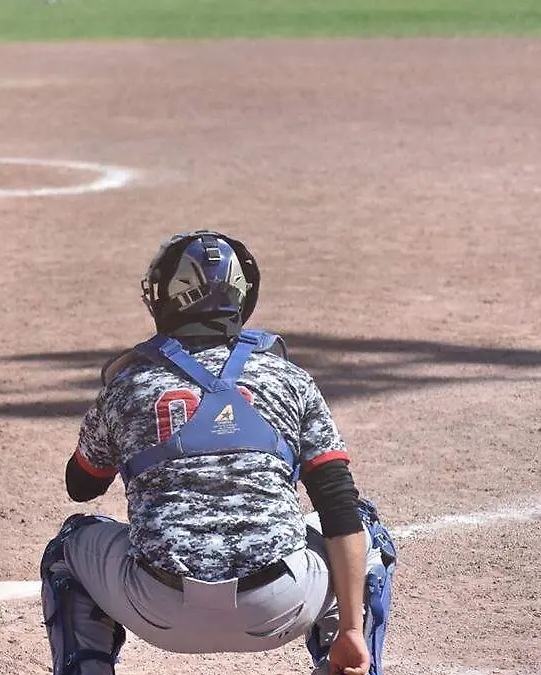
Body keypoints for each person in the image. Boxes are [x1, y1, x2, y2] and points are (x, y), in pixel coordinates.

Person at [40, 231, 398, 675]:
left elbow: (82, 486)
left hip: (158, 606)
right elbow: (338, 506)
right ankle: (348, 657)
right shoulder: (290, 379)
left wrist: (122, 408)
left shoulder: (128, 383)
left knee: (69, 545)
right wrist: (350, 628)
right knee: (367, 533)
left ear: (167, 300)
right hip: (278, 605)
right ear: (243, 295)